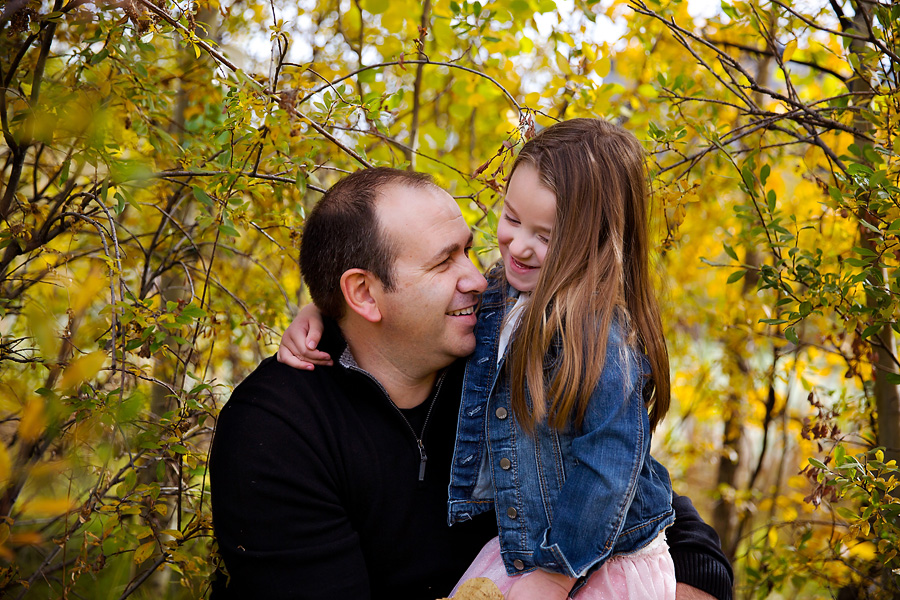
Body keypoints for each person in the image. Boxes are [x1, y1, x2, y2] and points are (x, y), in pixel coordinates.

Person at [212, 166, 733, 600]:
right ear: (364, 295)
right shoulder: (275, 432)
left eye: (467, 249)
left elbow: (641, 501)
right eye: (444, 261)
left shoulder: (497, 362)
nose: (479, 279)